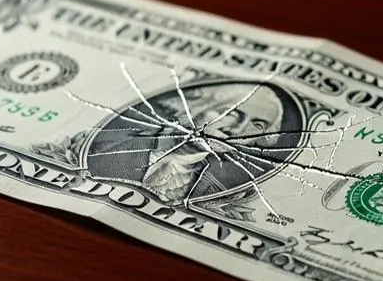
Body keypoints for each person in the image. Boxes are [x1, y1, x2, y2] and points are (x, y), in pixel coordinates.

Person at [86, 82, 288, 204]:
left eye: (258, 125)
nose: (234, 130)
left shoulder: (219, 191)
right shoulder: (102, 149)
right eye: (230, 113)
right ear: (196, 107)